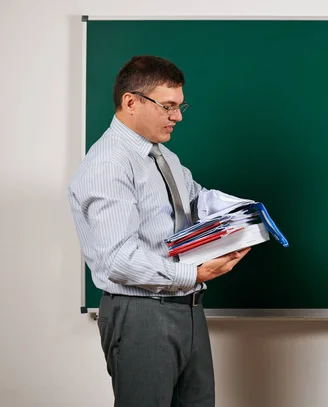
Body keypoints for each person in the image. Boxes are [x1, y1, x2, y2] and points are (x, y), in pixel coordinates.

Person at [68, 55, 252, 407]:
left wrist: (245, 216)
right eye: (168, 106)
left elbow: (196, 200)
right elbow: (118, 258)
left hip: (189, 308)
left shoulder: (164, 157)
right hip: (142, 315)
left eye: (181, 107)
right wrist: (193, 273)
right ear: (131, 102)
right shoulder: (109, 164)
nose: (178, 117)